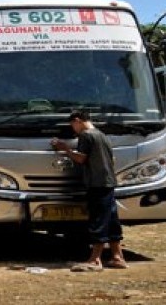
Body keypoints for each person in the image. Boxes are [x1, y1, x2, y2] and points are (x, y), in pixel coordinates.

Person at [51, 110, 128, 272]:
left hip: (96, 183)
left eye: (73, 125)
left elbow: (81, 158)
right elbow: (112, 159)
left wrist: (64, 148)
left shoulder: (86, 136)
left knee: (98, 220)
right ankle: (117, 257)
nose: (73, 129)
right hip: (109, 182)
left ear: (78, 121)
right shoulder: (103, 136)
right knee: (112, 220)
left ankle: (95, 259)